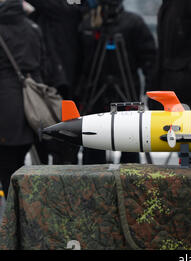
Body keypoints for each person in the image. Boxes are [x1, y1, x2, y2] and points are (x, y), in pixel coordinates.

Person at [78, 0, 157, 164]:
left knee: (130, 144)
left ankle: (129, 184)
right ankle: (93, 185)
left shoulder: (133, 23)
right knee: (94, 146)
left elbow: (150, 61)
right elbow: (81, 64)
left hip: (126, 93)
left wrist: (152, 92)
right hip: (96, 94)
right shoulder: (89, 24)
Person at [26, 0, 83, 165]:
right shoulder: (67, 10)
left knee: (59, 137)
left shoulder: (60, 10)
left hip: (59, 82)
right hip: (59, 79)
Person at [0, 0, 45, 198]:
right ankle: (25, 207)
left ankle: (12, 213)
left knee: (7, 164)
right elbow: (44, 62)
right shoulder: (33, 28)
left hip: (5, 103)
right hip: (32, 102)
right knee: (22, 160)